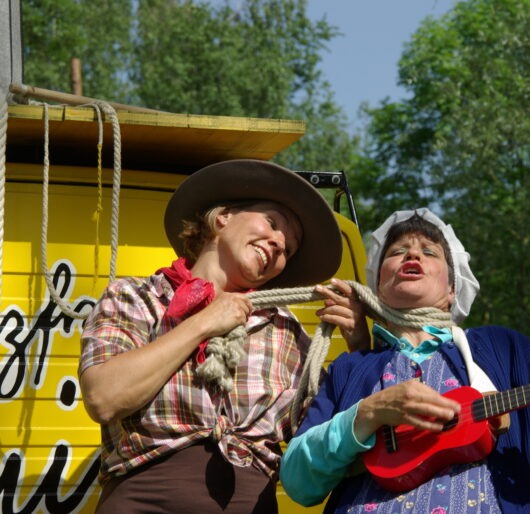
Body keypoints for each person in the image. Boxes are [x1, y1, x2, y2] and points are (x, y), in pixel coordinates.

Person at [280, 208, 530, 513]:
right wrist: (369, 412)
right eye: (397, 251)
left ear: (452, 289)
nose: (412, 255)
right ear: (377, 287)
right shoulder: (350, 367)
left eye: (429, 252)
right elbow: (298, 483)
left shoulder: (506, 349)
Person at [79, 159, 345, 513]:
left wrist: (359, 347)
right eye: (272, 222)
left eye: (289, 249)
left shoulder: (288, 333)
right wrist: (204, 323)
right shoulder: (136, 297)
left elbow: (322, 449)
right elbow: (104, 397)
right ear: (224, 216)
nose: (280, 243)